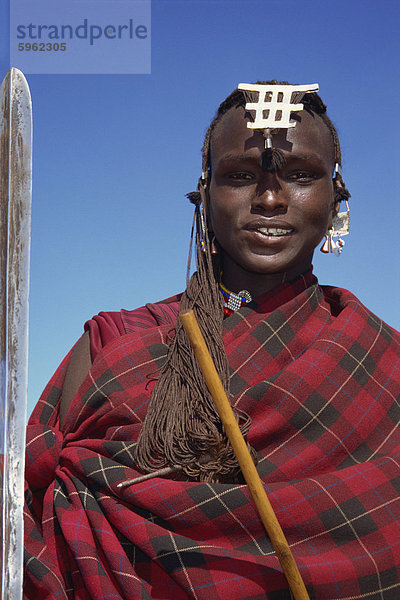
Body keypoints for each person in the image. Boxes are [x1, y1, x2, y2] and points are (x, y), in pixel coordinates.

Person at [24, 81, 400, 600]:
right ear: (205, 191)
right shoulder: (114, 343)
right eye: (241, 176)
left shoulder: (379, 361)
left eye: (300, 176)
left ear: (337, 195)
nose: (269, 198)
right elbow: (28, 508)